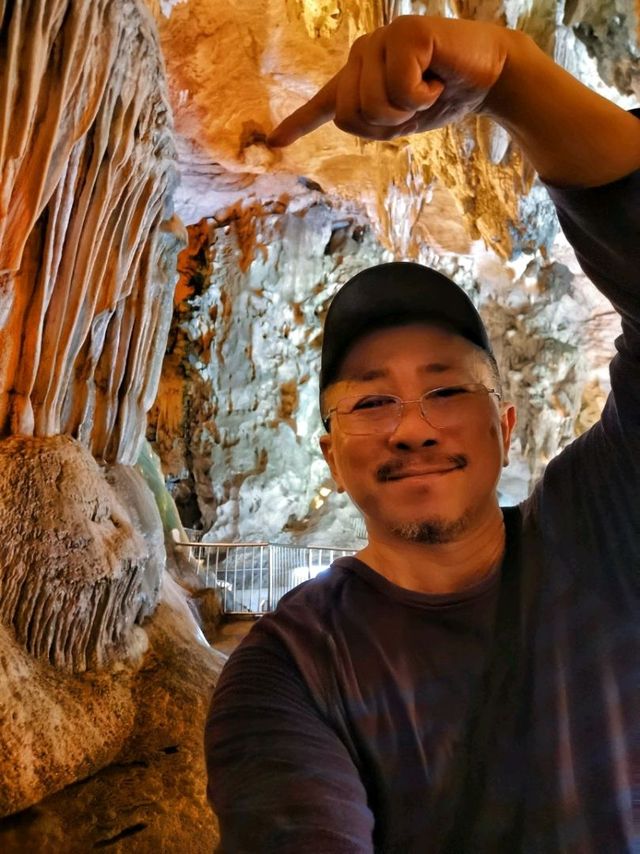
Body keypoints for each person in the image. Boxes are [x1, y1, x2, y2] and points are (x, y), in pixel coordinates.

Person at [205, 15, 640, 853]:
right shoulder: (289, 670)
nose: (412, 427)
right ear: (330, 452)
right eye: (370, 403)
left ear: (505, 426)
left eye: (446, 388)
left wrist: (514, 77)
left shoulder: (601, 531)